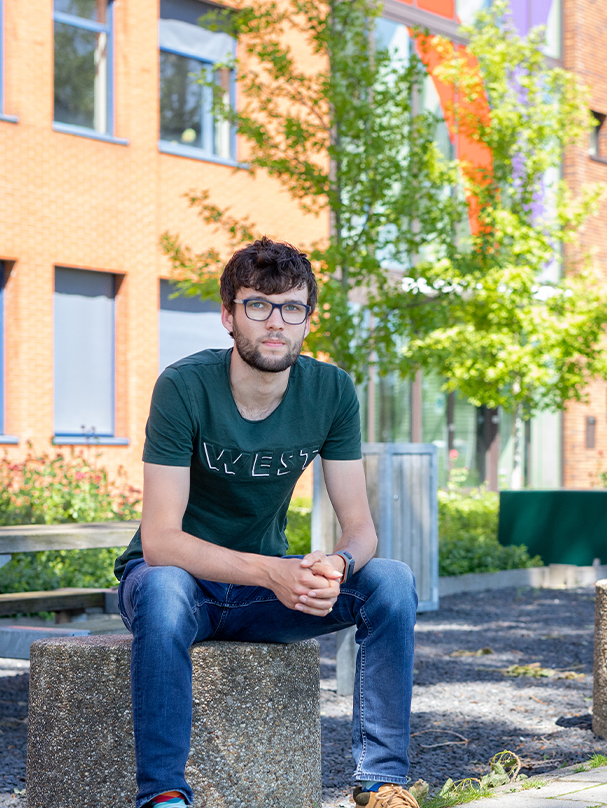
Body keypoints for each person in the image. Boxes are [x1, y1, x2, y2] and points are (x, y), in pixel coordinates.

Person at [114, 238, 420, 808]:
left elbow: (362, 531)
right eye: (258, 306)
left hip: (260, 594)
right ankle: (163, 796)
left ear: (308, 318)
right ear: (228, 315)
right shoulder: (184, 387)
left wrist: (337, 564)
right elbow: (160, 542)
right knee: (160, 587)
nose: (275, 322)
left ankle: (382, 783)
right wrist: (273, 572)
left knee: (392, 582)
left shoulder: (331, 390)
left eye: (292, 307)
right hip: (182, 587)